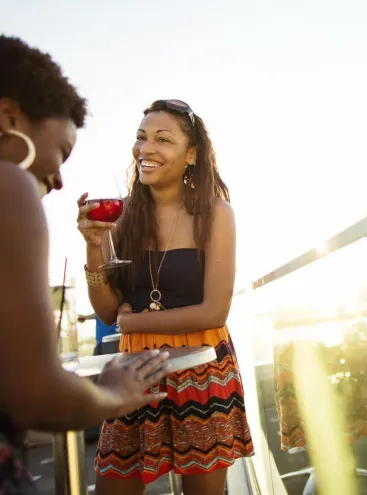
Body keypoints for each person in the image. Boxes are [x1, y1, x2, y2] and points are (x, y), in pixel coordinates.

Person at [0, 36, 173, 494]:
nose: (58, 180)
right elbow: (35, 394)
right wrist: (116, 393)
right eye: (62, 151)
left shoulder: (215, 216)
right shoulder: (8, 187)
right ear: (7, 118)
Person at [78, 99, 254, 494]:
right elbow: (106, 309)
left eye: (163, 139)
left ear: (191, 155)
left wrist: (134, 321)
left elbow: (214, 312)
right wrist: (94, 245)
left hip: (204, 369)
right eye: (141, 138)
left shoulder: (216, 214)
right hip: (133, 372)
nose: (146, 149)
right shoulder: (121, 217)